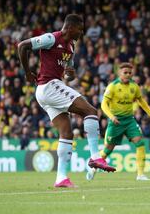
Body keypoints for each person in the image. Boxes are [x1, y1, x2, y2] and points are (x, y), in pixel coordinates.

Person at [17, 14, 115, 188]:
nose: (82, 32)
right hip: (48, 85)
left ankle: (61, 177)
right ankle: (94, 156)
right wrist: (27, 72)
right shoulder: (51, 38)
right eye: (80, 28)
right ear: (70, 27)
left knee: (67, 133)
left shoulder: (71, 46)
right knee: (91, 111)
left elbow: (68, 74)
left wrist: (70, 74)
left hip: (47, 90)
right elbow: (22, 46)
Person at [86, 62, 150, 181]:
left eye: (130, 73)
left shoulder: (134, 86)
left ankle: (140, 174)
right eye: (125, 72)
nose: (127, 75)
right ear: (119, 73)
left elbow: (141, 101)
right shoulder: (113, 86)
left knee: (140, 143)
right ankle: (93, 167)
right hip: (115, 121)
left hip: (129, 120)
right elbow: (103, 104)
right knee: (107, 150)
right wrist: (111, 117)